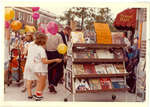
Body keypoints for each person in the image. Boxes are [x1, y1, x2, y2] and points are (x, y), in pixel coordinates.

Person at [24, 32, 62, 100]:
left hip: (32, 66)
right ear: (43, 40)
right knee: (42, 83)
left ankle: (35, 95)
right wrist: (55, 60)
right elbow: (44, 61)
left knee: (38, 82)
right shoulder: (41, 50)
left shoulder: (31, 45)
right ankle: (38, 96)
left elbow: (26, 51)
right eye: (46, 40)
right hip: (40, 68)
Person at [46, 29, 64, 94]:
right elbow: (61, 46)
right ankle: (53, 84)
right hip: (57, 53)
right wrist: (62, 55)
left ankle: (50, 85)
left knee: (50, 70)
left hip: (48, 53)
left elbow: (44, 46)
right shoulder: (58, 36)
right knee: (60, 71)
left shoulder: (46, 35)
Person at [4, 28, 10, 92]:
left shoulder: (5, 41)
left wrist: (7, 28)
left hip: (5, 60)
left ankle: (3, 87)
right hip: (5, 59)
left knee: (5, 73)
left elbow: (8, 36)